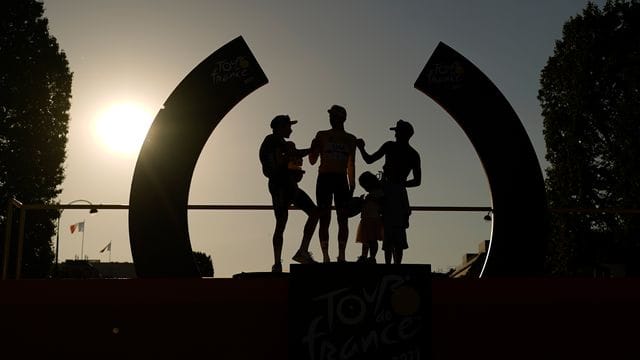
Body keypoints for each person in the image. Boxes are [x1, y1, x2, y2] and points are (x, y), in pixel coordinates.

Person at [356, 120, 421, 264]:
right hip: (398, 193)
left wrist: (361, 148)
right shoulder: (413, 154)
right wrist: (401, 184)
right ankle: (395, 265)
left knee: (389, 231)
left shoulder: (391, 146)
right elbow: (417, 181)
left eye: (397, 132)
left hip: (389, 191)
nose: (396, 134)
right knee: (396, 231)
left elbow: (369, 159)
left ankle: (389, 265)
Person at [259, 114, 319, 273]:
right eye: (288, 126)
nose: (291, 129)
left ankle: (299, 253)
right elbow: (273, 167)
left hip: (288, 185)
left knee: (312, 213)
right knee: (282, 223)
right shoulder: (272, 141)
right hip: (280, 186)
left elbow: (294, 155)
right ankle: (279, 262)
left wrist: (309, 151)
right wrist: (290, 161)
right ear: (280, 127)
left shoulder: (280, 142)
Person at [309, 105, 358, 263]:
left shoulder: (350, 138)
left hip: (341, 179)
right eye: (330, 116)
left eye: (334, 116)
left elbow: (352, 162)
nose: (331, 119)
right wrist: (313, 147)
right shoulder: (321, 135)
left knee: (342, 218)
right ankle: (325, 256)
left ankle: (341, 256)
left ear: (342, 118)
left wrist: (352, 184)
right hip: (324, 178)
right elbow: (312, 160)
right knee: (325, 217)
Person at [355, 171, 384, 264]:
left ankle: (372, 257)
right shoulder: (371, 194)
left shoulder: (379, 192)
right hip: (366, 219)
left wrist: (371, 199)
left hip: (374, 219)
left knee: (372, 240)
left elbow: (382, 203)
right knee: (365, 240)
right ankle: (364, 256)